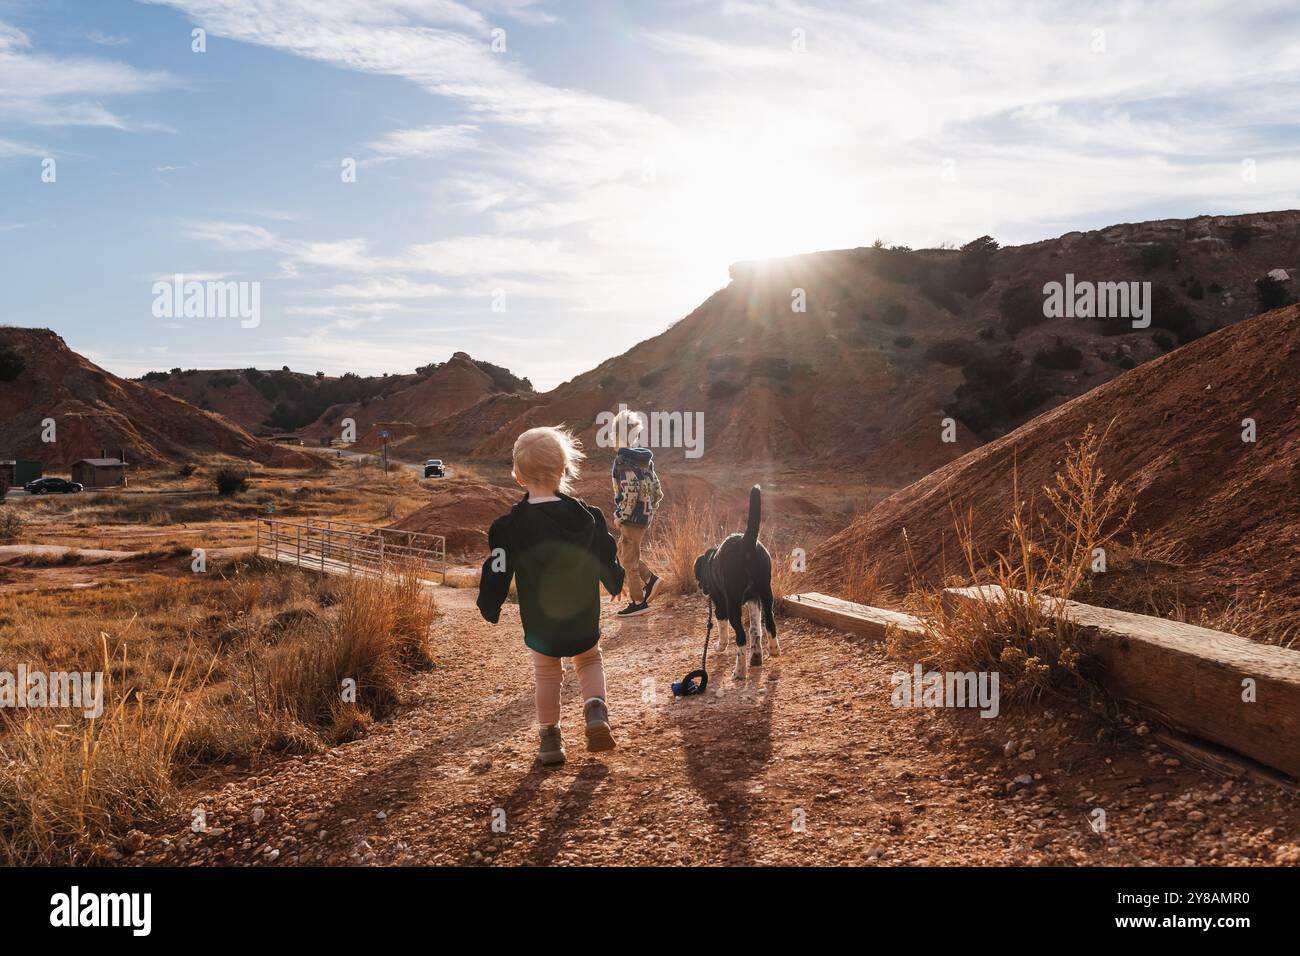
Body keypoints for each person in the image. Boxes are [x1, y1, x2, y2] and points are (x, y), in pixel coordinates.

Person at [477, 426, 624, 766]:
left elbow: (498, 568)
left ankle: (550, 741)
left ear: (518, 476)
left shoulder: (507, 527)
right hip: (583, 617)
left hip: (541, 625)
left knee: (546, 674)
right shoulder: (588, 516)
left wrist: (490, 604)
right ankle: (595, 711)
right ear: (563, 469)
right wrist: (616, 581)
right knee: (589, 661)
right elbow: (605, 553)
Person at [611, 416, 663, 617]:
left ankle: (638, 602)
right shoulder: (645, 460)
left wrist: (619, 515)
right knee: (625, 553)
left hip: (631, 518)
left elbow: (630, 492)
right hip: (643, 517)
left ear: (619, 436)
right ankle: (651, 580)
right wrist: (648, 509)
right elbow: (657, 491)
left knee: (628, 562)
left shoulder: (623, 461)